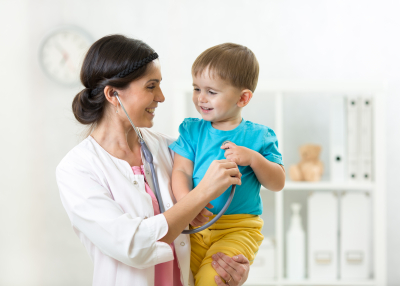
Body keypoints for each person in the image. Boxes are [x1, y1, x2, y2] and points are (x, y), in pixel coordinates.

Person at [56, 35, 251, 286]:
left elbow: (217, 223)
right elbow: (133, 245)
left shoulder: (172, 149)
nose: (161, 97)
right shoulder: (77, 169)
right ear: (113, 94)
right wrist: (201, 193)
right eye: (151, 86)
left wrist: (229, 265)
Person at [169, 43, 286, 286]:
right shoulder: (192, 131)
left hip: (238, 228)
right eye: (196, 88)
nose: (201, 98)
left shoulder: (260, 137)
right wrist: (186, 203)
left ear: (243, 98)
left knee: (214, 278)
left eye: (211, 92)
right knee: (178, 277)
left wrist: (254, 159)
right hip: (194, 225)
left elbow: (278, 182)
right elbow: (180, 170)